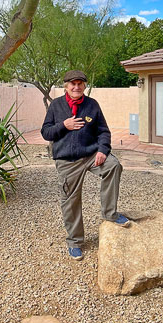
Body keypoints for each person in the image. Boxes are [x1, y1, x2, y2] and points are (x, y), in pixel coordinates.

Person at [41, 70, 130, 261]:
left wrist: (102, 150)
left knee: (113, 165)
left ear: (84, 86)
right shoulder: (56, 105)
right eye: (72, 84)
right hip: (67, 160)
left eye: (80, 84)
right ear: (66, 86)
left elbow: (103, 132)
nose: (76, 87)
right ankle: (74, 241)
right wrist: (64, 125)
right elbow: (46, 132)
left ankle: (110, 213)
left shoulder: (92, 105)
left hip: (91, 155)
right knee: (70, 200)